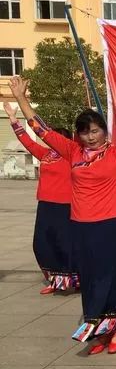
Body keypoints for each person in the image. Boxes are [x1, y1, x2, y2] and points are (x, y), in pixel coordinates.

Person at [9, 76, 116, 355]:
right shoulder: (72, 152)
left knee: (115, 275)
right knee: (93, 279)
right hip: (81, 226)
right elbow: (41, 130)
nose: (90, 137)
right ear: (78, 135)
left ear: (104, 131)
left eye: (95, 131)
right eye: (85, 132)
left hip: (110, 225)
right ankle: (100, 328)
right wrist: (21, 99)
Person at [4, 103, 79, 295]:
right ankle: (55, 280)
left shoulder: (73, 155)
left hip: (66, 206)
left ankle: (75, 280)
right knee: (43, 243)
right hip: (45, 205)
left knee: (65, 244)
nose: (52, 142)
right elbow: (27, 142)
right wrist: (13, 119)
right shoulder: (46, 154)